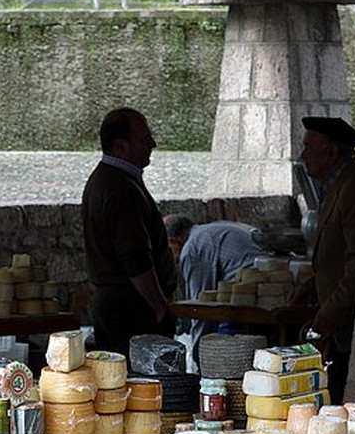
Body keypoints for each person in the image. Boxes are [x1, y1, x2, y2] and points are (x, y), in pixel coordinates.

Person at [291, 116, 355, 403]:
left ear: (331, 150)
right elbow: (335, 254)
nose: (303, 155)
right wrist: (311, 285)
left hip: (349, 328)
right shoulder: (338, 184)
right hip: (339, 323)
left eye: (308, 147)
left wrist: (329, 314)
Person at [81, 108, 177, 360]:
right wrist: (158, 305)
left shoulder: (106, 181)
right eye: (144, 140)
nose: (152, 145)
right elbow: (135, 258)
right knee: (140, 385)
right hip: (131, 309)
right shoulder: (121, 189)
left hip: (118, 305)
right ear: (121, 146)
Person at [163, 215, 265, 357]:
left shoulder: (192, 250)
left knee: (222, 346)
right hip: (267, 281)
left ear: (174, 241)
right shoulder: (210, 230)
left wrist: (198, 357)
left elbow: (200, 310)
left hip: (255, 295)